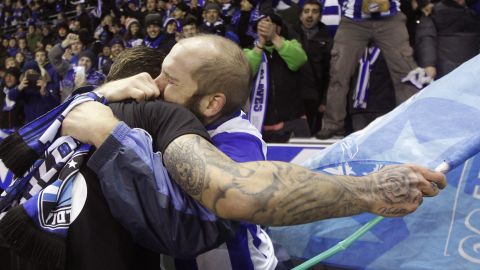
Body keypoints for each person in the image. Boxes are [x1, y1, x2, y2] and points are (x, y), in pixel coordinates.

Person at [62, 35, 446, 227]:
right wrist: (100, 94)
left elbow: (245, 192)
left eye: (170, 79)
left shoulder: (235, 135)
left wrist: (370, 190)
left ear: (212, 103)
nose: (154, 83)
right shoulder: (149, 108)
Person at [316, 0, 419, 139]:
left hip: (390, 18)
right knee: (339, 73)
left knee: (406, 74)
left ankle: (410, 123)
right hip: (353, 21)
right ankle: (332, 124)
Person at [244, 12, 310, 142]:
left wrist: (274, 37)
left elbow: (299, 60)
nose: (265, 29)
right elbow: (247, 71)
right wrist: (260, 44)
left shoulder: (292, 44)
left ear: (278, 28)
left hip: (293, 123)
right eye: (261, 27)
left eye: (269, 25)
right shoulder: (249, 51)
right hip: (259, 125)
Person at [293, 0, 333, 134]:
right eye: (306, 11)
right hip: (293, 96)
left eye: (315, 12)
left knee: (311, 135)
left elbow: (330, 73)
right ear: (300, 16)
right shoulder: (290, 35)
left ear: (320, 16)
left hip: (315, 98)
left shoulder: (328, 39)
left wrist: (325, 100)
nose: (310, 15)